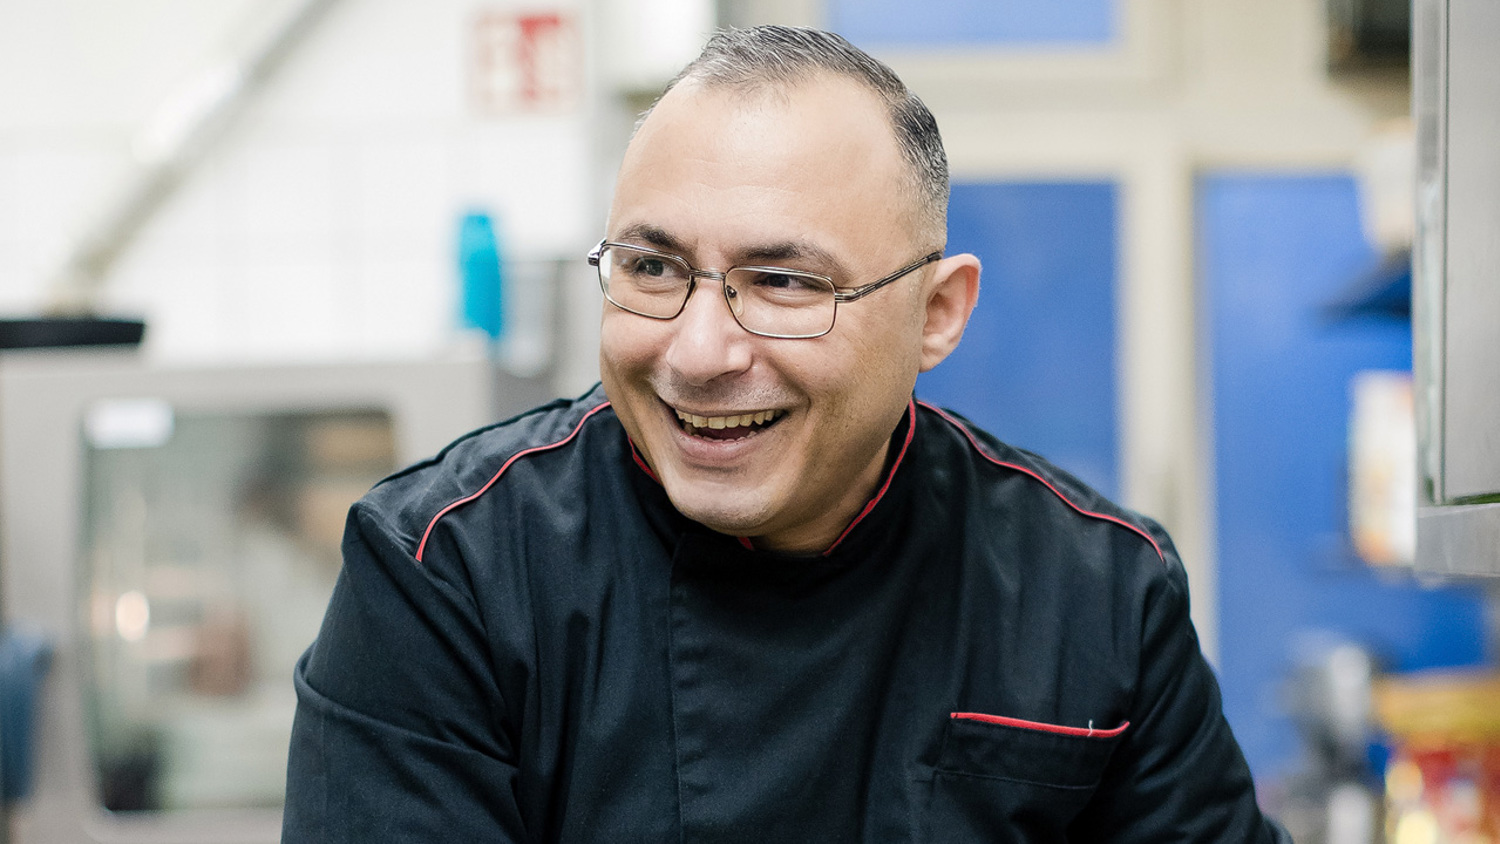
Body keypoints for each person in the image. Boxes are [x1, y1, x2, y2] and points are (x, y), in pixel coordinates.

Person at [283, 25, 1290, 843]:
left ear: (936, 313)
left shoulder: (1094, 593)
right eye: (651, 267)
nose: (699, 350)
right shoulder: (448, 573)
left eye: (784, 282)